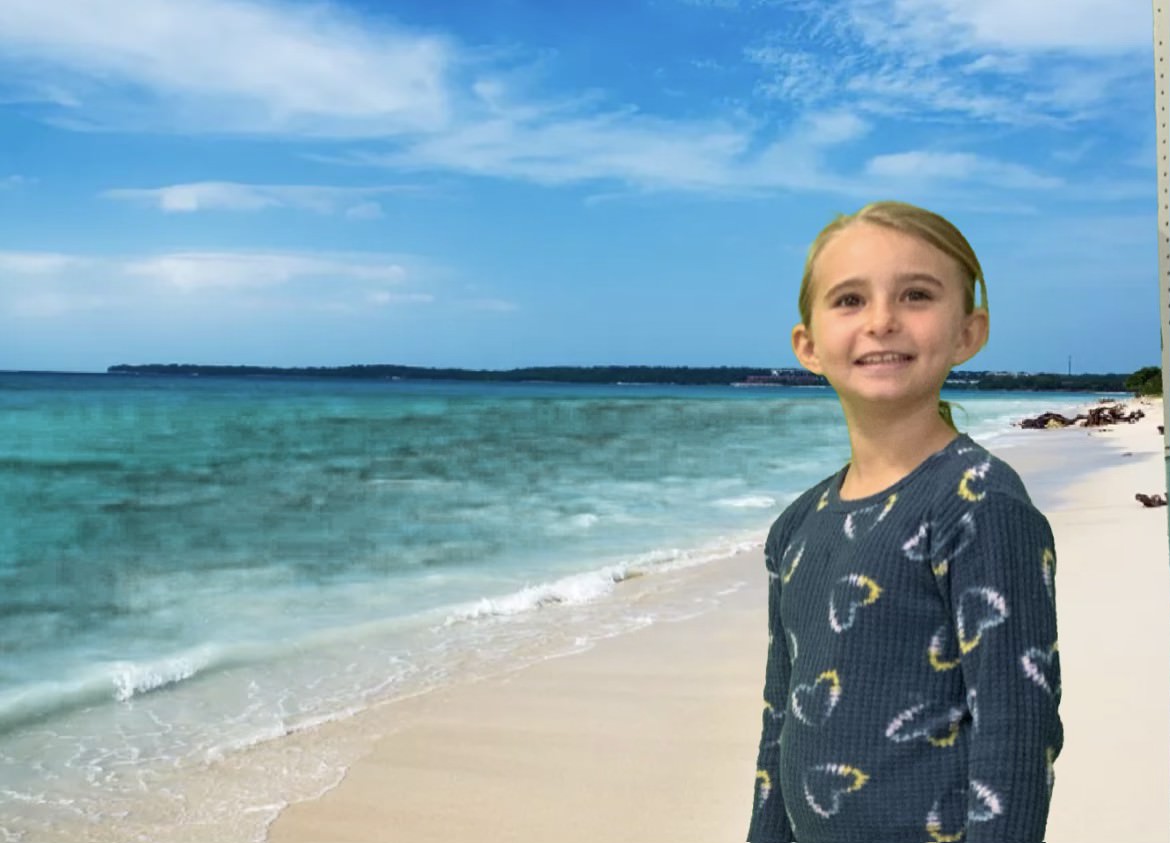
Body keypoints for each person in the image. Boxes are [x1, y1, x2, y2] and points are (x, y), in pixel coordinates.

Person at [747, 201, 1062, 843]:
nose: (882, 321)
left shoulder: (979, 503)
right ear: (807, 345)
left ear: (968, 333)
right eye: (849, 300)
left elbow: (1018, 736)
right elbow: (780, 726)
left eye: (916, 295)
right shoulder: (797, 527)